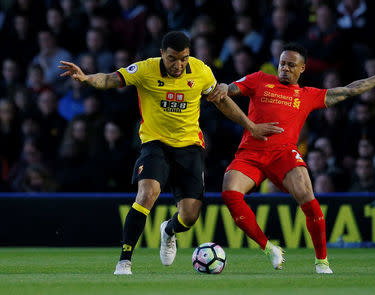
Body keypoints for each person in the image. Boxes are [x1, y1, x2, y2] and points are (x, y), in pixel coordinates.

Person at [59, 31, 282, 275]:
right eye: (172, 58)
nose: (178, 65)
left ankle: (169, 231)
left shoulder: (201, 71)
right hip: (156, 144)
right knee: (147, 194)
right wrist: (86, 78)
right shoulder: (145, 69)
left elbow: (221, 100)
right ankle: (124, 261)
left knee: (189, 217)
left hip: (190, 147)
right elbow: (111, 79)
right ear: (162, 55)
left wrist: (250, 126)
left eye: (183, 58)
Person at [216, 43, 375, 274]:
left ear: (302, 69)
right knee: (230, 194)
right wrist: (224, 86)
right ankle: (269, 248)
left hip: (283, 154)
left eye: (291, 65)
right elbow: (232, 89)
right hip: (250, 153)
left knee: (308, 197)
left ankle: (322, 262)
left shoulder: (308, 95)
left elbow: (349, 90)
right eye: (282, 63)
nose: (285, 68)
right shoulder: (259, 79)